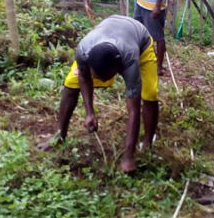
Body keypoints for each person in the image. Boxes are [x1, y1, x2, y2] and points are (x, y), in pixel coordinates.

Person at [38, 15, 159, 174]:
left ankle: (147, 143)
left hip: (139, 39)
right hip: (106, 33)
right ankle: (59, 135)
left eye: (104, 78)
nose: (99, 81)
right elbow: (83, 77)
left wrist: (128, 156)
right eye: (96, 76)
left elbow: (134, 109)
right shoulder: (83, 51)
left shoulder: (130, 60)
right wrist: (89, 113)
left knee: (150, 93)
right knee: (70, 83)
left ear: (118, 69)